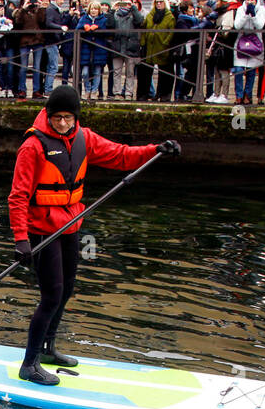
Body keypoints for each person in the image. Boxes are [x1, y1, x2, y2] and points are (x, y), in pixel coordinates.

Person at [9, 85, 174, 385]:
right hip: (41, 230)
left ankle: (48, 348)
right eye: (56, 117)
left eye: (68, 118)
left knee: (68, 288)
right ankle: (29, 364)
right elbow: (18, 196)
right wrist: (21, 239)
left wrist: (155, 150)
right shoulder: (33, 146)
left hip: (71, 224)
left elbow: (122, 156)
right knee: (52, 295)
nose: (62, 124)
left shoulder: (85, 139)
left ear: (76, 117)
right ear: (48, 114)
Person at [232, 0, 265, 105]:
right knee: (238, 70)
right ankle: (238, 95)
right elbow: (237, 25)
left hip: (255, 42)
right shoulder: (240, 9)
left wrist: (253, 15)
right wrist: (246, 15)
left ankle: (248, 95)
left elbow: (259, 26)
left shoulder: (261, 10)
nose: (249, 2)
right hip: (242, 41)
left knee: (251, 71)